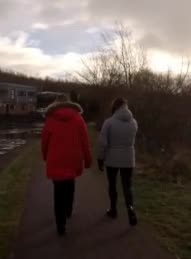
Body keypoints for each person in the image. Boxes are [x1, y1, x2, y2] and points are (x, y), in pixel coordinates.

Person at [41, 94, 92, 236]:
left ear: (55, 104)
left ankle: (60, 224)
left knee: (58, 193)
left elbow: (44, 142)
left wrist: (46, 157)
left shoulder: (50, 120)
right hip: (73, 159)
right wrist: (87, 160)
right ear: (69, 103)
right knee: (70, 185)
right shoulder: (78, 119)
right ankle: (68, 210)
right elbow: (85, 142)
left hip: (55, 160)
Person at [97, 97, 139, 226]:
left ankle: (113, 210)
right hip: (128, 158)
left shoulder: (109, 122)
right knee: (127, 186)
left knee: (113, 185)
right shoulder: (134, 122)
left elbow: (103, 143)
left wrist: (100, 158)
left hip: (112, 158)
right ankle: (131, 210)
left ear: (115, 107)